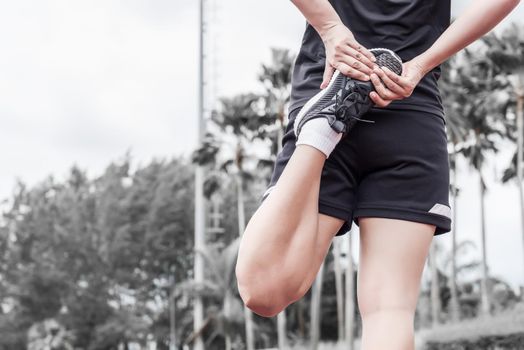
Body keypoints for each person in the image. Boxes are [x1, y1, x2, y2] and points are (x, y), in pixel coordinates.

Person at [235, 0, 521, 349]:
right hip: (408, 102)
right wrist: (420, 65)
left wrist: (330, 28)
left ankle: (321, 132)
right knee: (390, 310)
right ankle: (324, 126)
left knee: (264, 290)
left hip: (333, 78)